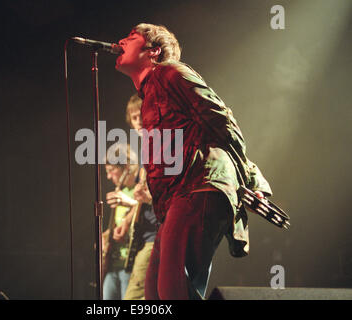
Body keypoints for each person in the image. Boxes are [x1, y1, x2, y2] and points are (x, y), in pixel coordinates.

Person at [115, 23, 272, 300]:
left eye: (131, 37)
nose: (120, 41)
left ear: (154, 51)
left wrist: (251, 181)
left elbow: (223, 122)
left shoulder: (171, 72)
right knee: (154, 294)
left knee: (171, 291)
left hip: (200, 186)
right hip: (178, 197)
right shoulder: (149, 94)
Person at [111, 94, 159, 300]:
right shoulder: (146, 151)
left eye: (141, 115)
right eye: (134, 117)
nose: (138, 121)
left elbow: (168, 197)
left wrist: (139, 200)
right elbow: (144, 197)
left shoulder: (159, 147)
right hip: (145, 236)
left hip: (156, 236)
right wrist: (127, 221)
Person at [102, 144, 138, 300]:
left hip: (131, 266)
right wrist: (105, 236)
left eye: (112, 170)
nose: (109, 176)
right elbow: (118, 226)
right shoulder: (120, 193)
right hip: (112, 266)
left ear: (126, 166)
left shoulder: (140, 191)